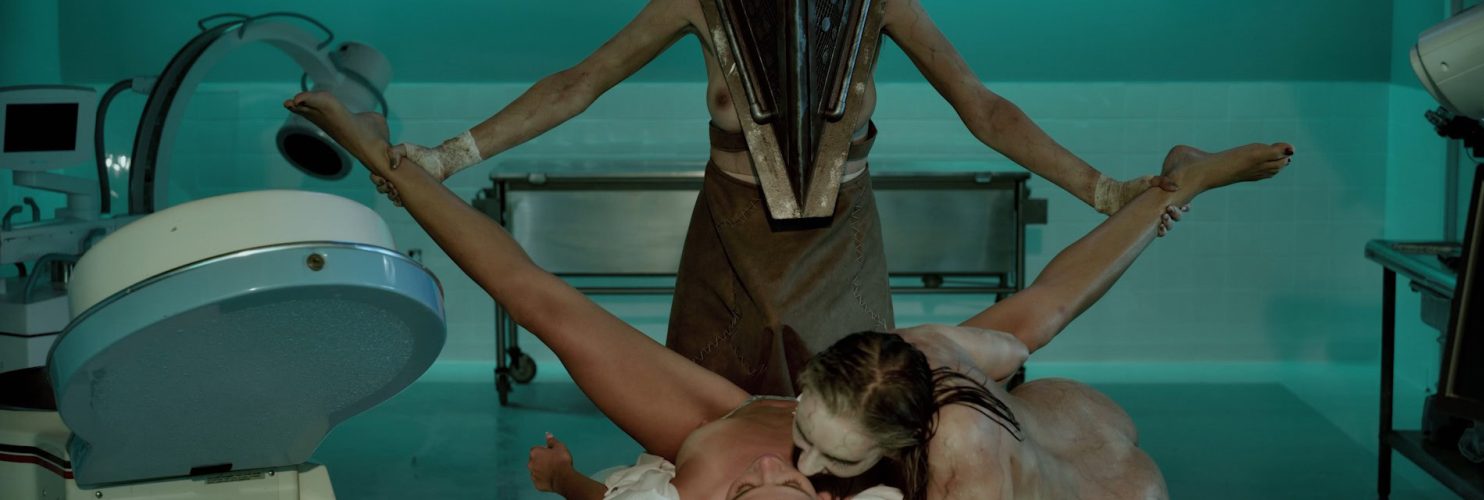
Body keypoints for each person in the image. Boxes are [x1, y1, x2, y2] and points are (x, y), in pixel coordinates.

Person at [283, 90, 1291, 499]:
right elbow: (1056, 299)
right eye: (807, 432)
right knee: (1041, 327)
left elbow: (1057, 304)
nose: (792, 459)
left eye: (825, 461)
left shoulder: (952, 463)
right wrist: (1167, 196)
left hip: (1077, 465)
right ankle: (1183, 181)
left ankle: (1181, 183)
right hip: (968, 413)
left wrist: (569, 483)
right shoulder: (900, 368)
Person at [368, 0, 1179, 396]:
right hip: (729, 234)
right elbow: (578, 84)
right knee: (701, 406)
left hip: (842, 240)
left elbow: (985, 109)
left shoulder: (882, 4)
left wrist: (1103, 189)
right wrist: (447, 157)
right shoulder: (697, 1)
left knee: (856, 404)